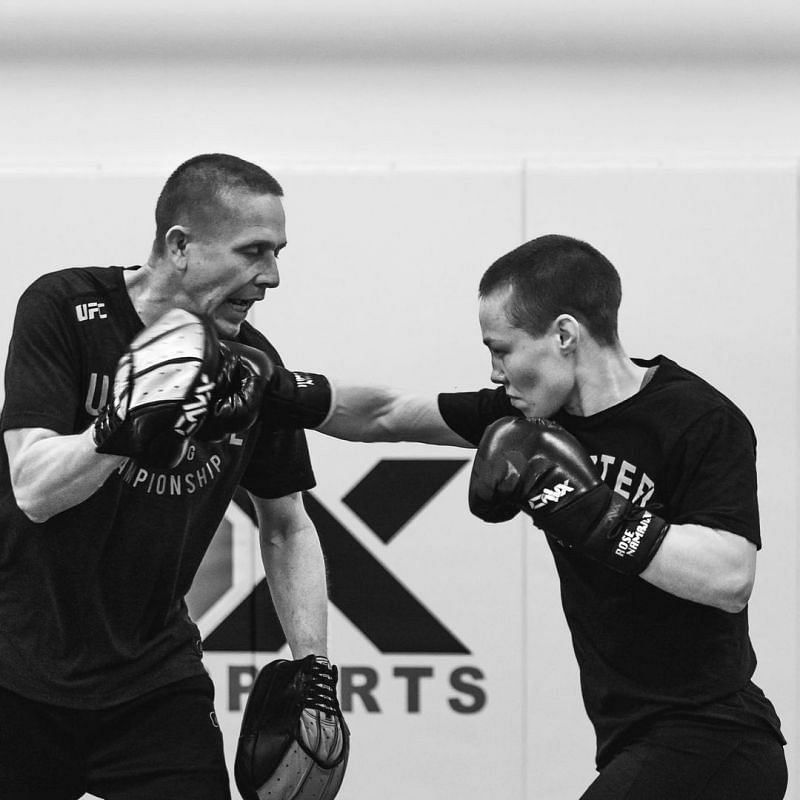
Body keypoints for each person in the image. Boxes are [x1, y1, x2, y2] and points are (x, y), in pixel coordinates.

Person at [272, 233, 787, 798]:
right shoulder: (530, 419)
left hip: (715, 737)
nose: (495, 372)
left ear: (564, 335)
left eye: (502, 349)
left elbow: (730, 577)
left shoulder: (698, 420)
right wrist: (276, 391)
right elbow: (388, 415)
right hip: (630, 737)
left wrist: (592, 513)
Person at [0, 153, 333, 799]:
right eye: (254, 251)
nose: (272, 277)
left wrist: (313, 667)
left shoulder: (252, 364)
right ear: (180, 246)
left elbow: (288, 527)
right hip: (16, 672)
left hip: (153, 681)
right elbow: (34, 489)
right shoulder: (65, 307)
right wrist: (122, 427)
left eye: (278, 252)